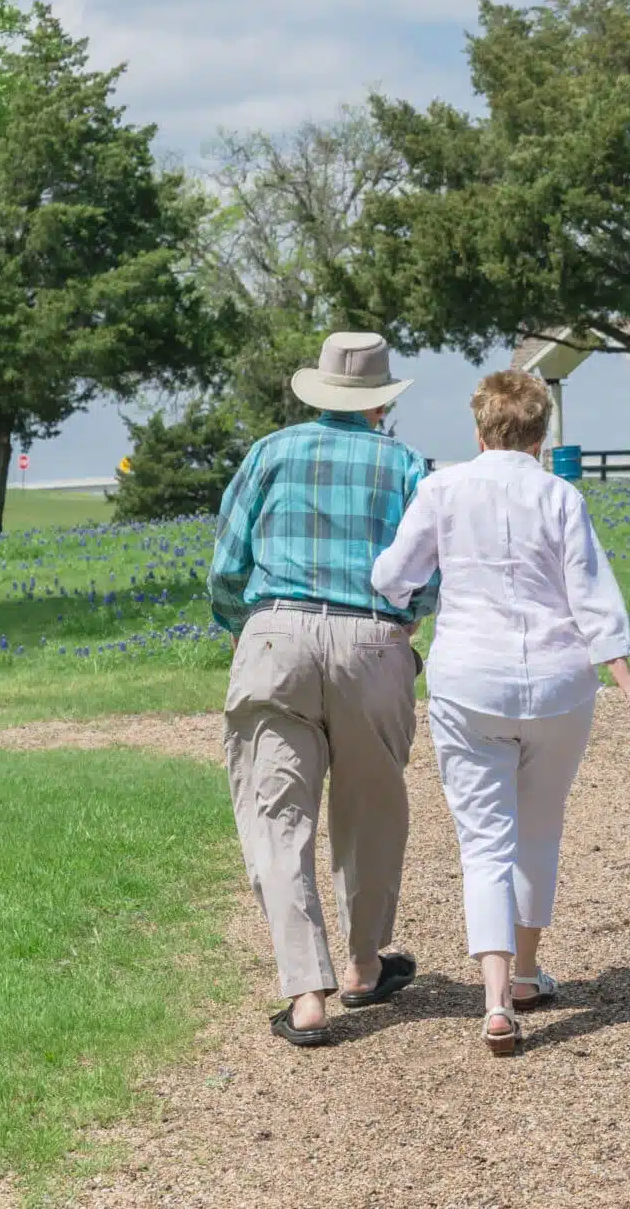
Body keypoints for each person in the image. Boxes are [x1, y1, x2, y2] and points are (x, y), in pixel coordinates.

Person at [372, 370, 630, 1055]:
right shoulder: (561, 495)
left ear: (479, 431)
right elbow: (594, 600)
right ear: (541, 435)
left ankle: (498, 999)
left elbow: (393, 578)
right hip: (560, 686)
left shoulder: (440, 490)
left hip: (470, 682)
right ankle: (529, 972)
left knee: (485, 842)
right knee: (539, 829)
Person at [210, 332, 439, 1048]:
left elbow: (225, 565)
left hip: (276, 634)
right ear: (379, 399)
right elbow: (425, 576)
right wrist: (402, 625)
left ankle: (306, 993)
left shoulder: (269, 452)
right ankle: (365, 964)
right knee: (371, 809)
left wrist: (246, 628)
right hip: (372, 640)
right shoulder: (405, 464)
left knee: (278, 815)